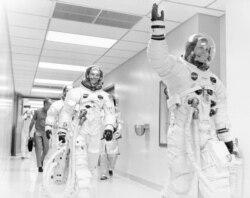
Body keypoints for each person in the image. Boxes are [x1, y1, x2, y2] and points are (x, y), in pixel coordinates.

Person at [147, 3, 237, 198]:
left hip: (208, 134)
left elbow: (220, 110)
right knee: (180, 183)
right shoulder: (178, 70)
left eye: (208, 50)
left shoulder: (214, 82)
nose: (204, 54)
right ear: (191, 50)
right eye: (200, 49)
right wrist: (158, 29)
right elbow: (158, 60)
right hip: (182, 132)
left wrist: (227, 140)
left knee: (219, 181)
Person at [57, 65, 116, 197]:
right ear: (87, 75)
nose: (94, 77)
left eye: (97, 75)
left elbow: (110, 114)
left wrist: (109, 128)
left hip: (95, 133)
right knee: (80, 161)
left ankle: (80, 186)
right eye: (92, 74)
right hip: (79, 130)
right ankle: (83, 192)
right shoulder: (75, 93)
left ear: (100, 77)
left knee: (92, 162)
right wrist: (62, 130)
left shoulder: (105, 96)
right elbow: (66, 113)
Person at [99, 94, 123, 180]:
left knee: (112, 156)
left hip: (113, 136)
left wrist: (116, 133)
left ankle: (110, 168)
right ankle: (103, 174)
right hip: (103, 137)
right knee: (103, 155)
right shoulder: (101, 112)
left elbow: (120, 124)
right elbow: (99, 123)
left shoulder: (117, 113)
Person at [45, 85, 72, 155]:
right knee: (61, 155)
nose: (69, 93)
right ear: (64, 92)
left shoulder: (77, 105)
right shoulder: (57, 104)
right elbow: (51, 116)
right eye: (67, 91)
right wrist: (48, 128)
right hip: (61, 133)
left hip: (75, 134)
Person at [29, 98, 52, 172]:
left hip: (46, 132)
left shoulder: (50, 113)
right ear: (45, 104)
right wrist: (29, 132)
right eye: (49, 104)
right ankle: (39, 166)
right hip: (38, 132)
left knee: (47, 148)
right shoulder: (38, 111)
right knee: (38, 148)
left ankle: (41, 160)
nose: (51, 106)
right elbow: (32, 122)